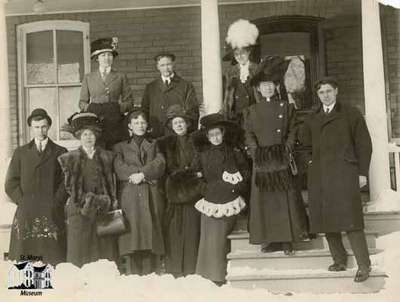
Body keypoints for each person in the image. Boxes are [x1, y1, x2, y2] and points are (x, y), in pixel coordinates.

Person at [300, 77, 373, 282]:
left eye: (329, 91)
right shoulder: (312, 117)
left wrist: (362, 173)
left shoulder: (350, 113)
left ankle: (364, 265)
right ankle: (339, 260)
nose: (325, 95)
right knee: (327, 219)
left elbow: (364, 144)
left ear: (336, 91)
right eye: (321, 92)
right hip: (321, 175)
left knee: (351, 220)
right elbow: (303, 146)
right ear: (317, 94)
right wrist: (310, 163)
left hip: (345, 173)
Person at [243, 56, 309, 255]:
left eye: (271, 85)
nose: (268, 89)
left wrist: (286, 149)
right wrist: (257, 153)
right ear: (259, 89)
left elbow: (292, 130)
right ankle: (270, 240)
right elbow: (248, 134)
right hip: (262, 162)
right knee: (265, 201)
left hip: (281, 159)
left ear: (276, 87)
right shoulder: (251, 111)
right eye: (264, 86)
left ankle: (288, 240)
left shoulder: (287, 108)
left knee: (284, 199)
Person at [193, 113, 250, 285]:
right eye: (211, 135)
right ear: (207, 137)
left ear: (223, 134)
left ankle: (219, 275)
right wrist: (205, 189)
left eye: (218, 134)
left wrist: (235, 187)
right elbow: (195, 176)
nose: (215, 138)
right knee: (208, 239)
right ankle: (205, 275)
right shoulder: (202, 155)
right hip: (210, 199)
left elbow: (246, 172)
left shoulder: (234, 152)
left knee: (220, 240)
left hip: (230, 199)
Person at [5, 108, 67, 265]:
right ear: (31, 128)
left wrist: (56, 202)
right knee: (26, 258)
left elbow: (66, 181)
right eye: (37, 127)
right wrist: (23, 201)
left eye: (44, 126)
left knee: (51, 257)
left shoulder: (60, 151)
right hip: (27, 210)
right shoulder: (21, 153)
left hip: (51, 210)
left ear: (49, 127)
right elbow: (11, 182)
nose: (40, 131)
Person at [58, 112, 118, 267]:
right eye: (85, 134)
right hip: (80, 210)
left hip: (102, 210)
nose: (88, 137)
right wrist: (88, 200)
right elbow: (71, 187)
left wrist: (106, 202)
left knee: (103, 254)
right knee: (80, 253)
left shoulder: (107, 157)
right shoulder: (70, 158)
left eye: (91, 134)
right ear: (79, 136)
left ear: (96, 136)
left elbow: (111, 184)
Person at [113, 110, 166, 275]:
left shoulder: (155, 144)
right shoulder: (120, 147)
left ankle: (152, 274)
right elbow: (119, 167)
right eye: (136, 123)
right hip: (130, 196)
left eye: (143, 122)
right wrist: (135, 174)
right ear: (130, 126)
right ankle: (132, 274)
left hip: (150, 193)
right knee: (132, 235)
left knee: (151, 234)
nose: (140, 126)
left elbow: (160, 163)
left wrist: (142, 174)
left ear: (147, 125)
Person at [157, 105, 202, 278]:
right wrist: (187, 174)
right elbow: (168, 169)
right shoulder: (166, 144)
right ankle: (174, 268)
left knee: (192, 228)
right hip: (174, 193)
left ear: (188, 124)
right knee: (174, 230)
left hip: (193, 192)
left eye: (182, 122)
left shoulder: (197, 142)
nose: (179, 125)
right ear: (171, 125)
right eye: (176, 123)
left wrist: (189, 174)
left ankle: (191, 267)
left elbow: (198, 167)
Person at [79, 37, 134, 149]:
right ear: (97, 58)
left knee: (115, 151)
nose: (107, 58)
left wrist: (117, 108)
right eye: (103, 55)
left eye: (110, 55)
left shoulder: (120, 77)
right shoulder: (88, 78)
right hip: (95, 123)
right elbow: (82, 102)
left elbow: (129, 101)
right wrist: (91, 109)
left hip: (115, 122)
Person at [141, 52, 200, 138]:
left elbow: (193, 112)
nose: (166, 68)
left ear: (173, 64)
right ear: (157, 67)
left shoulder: (186, 86)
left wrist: (187, 133)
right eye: (162, 65)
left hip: (178, 136)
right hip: (157, 134)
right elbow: (145, 111)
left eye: (168, 64)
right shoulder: (150, 87)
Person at [222, 19, 259, 124]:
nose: (239, 56)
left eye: (242, 53)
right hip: (236, 117)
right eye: (236, 54)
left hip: (255, 115)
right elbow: (227, 97)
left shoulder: (257, 69)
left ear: (249, 52)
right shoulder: (230, 72)